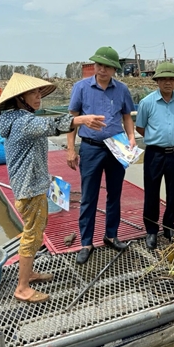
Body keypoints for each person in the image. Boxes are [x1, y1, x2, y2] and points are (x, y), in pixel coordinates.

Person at [0, 73, 106, 303]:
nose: (38, 97)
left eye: (39, 93)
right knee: (31, 235)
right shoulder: (23, 122)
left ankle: (29, 273)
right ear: (20, 98)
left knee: (35, 232)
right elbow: (51, 125)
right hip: (29, 189)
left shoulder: (18, 118)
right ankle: (22, 287)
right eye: (33, 93)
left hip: (32, 185)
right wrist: (81, 120)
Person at [67, 46, 136, 264]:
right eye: (99, 65)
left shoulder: (122, 90)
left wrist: (131, 137)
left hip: (116, 146)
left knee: (114, 193)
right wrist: (71, 148)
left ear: (115, 69)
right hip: (91, 147)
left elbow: (126, 116)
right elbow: (72, 121)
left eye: (107, 66)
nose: (102, 69)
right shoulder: (81, 87)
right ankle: (86, 242)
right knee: (89, 196)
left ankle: (111, 235)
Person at [135, 62, 174, 250]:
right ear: (157, 81)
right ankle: (151, 230)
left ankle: (169, 227)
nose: (168, 82)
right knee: (151, 193)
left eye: (172, 79)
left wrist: (170, 138)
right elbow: (140, 127)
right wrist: (157, 138)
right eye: (163, 79)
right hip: (154, 154)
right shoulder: (147, 102)